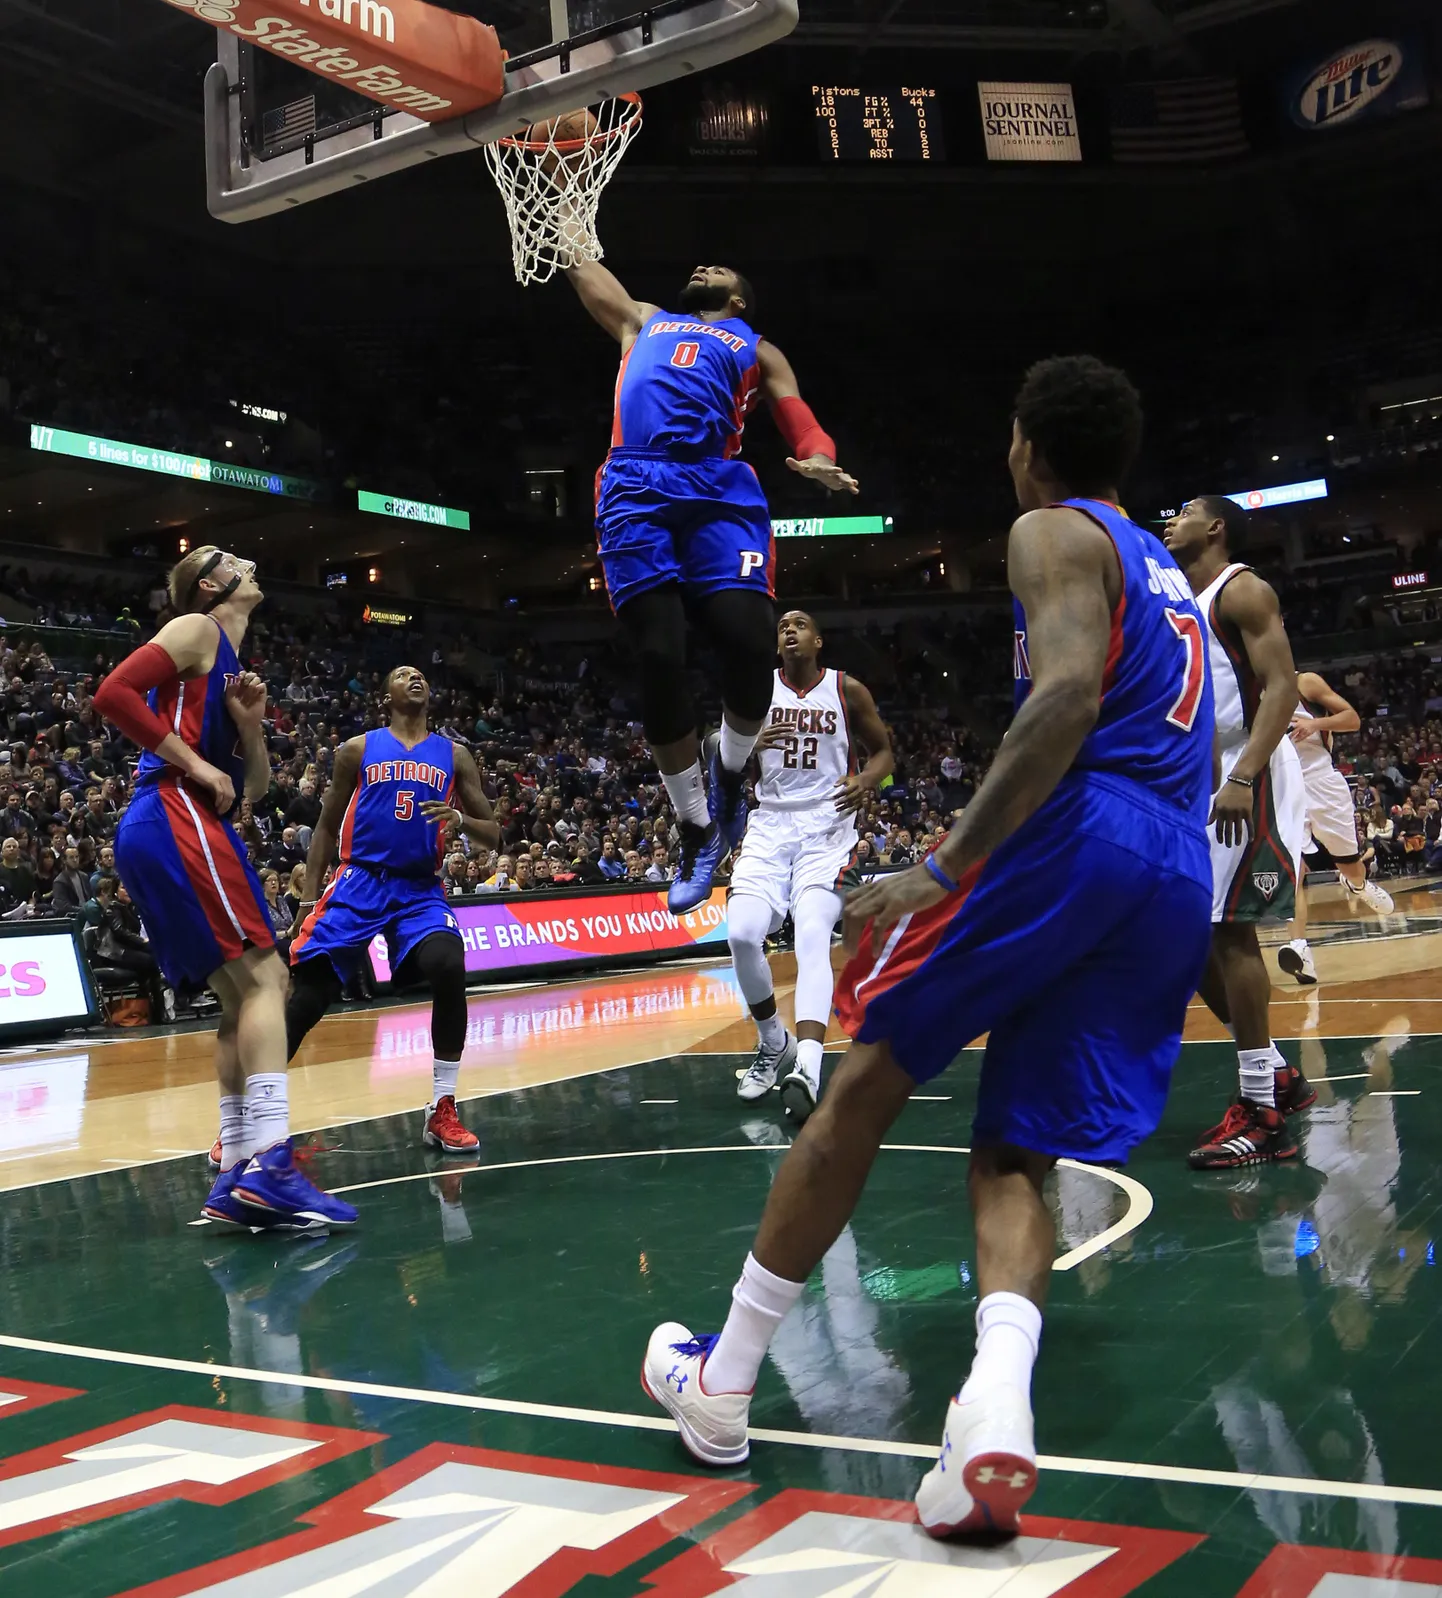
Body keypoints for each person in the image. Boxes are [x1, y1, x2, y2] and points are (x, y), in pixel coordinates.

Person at [640, 356, 1214, 1537]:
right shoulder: (1164, 574)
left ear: (1024, 445)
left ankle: (724, 1379)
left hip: (1085, 828)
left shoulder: (1051, 528)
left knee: (861, 1086)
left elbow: (1064, 697)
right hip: (1169, 862)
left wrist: (942, 866)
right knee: (1015, 1147)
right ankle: (990, 1413)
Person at [562, 254, 855, 915]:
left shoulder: (758, 348)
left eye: (717, 268)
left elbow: (802, 421)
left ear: (739, 299)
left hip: (719, 488)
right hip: (636, 482)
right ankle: (696, 828)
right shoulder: (644, 319)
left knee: (751, 641)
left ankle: (728, 770)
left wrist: (818, 460)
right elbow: (581, 267)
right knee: (660, 652)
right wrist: (558, 214)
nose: (701, 267)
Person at [94, 546, 355, 1233]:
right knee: (270, 980)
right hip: (173, 808)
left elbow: (255, 788)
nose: (249, 561)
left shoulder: (232, 666)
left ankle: (237, 1166)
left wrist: (248, 729)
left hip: (173, 820)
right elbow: (112, 694)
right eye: (232, 557)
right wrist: (197, 765)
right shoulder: (196, 627)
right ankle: (272, 1161)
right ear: (213, 583)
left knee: (240, 1000)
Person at [285, 666, 499, 1155]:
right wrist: (307, 898)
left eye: (420, 675)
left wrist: (461, 818)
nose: (415, 678)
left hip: (419, 889)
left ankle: (442, 1106)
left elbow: (494, 835)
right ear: (386, 697)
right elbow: (325, 827)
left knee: (448, 964)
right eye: (403, 675)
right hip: (360, 880)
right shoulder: (357, 749)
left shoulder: (455, 755)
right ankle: (248, 1117)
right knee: (310, 996)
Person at [1162, 498, 1310, 1169]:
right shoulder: (1178, 599)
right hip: (1200, 776)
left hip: (1249, 770)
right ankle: (1276, 1073)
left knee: (1229, 931)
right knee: (1191, 940)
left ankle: (1262, 1113)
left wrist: (1246, 775)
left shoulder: (1242, 590)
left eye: (1186, 511)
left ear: (1216, 528)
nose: (1172, 519)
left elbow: (1281, 688)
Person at [730, 609, 892, 1123]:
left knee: (813, 934)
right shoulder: (756, 691)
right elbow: (719, 753)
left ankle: (808, 1067)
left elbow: (884, 752)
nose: (789, 630)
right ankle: (773, 1042)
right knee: (741, 934)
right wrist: (743, 745)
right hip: (770, 825)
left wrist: (866, 781)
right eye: (782, 626)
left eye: (799, 624)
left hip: (827, 828)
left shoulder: (847, 690)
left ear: (818, 641)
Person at [1278, 670, 1394, 984]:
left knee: (1351, 866)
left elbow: (1352, 719)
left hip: (1322, 783)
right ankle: (1300, 948)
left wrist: (1315, 724)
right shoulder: (1248, 693)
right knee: (1293, 870)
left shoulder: (1304, 682)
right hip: (1283, 787)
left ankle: (1357, 883)